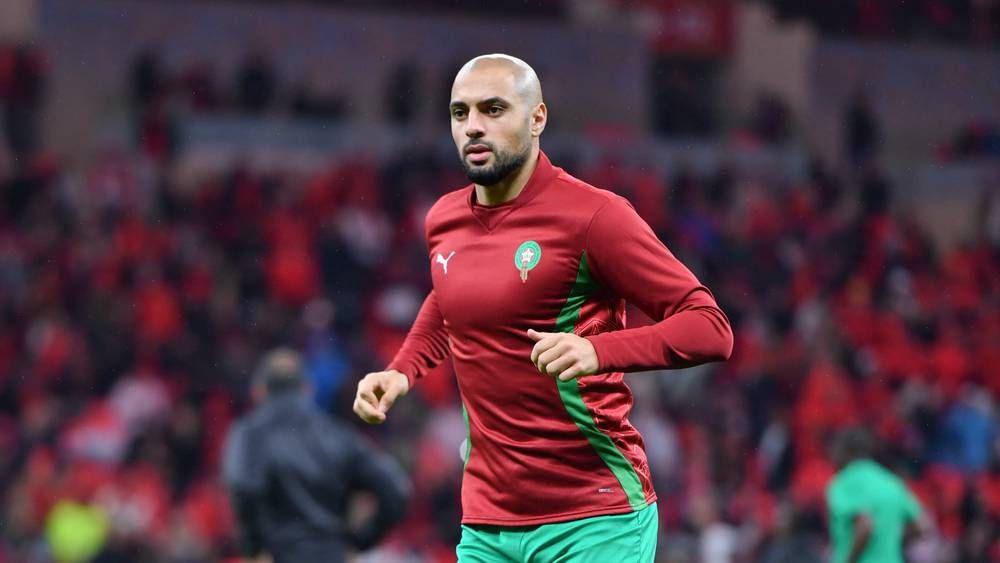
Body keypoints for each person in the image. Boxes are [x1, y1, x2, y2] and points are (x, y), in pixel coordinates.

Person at [353, 53, 733, 562]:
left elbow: (710, 328)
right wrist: (402, 370)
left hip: (594, 516)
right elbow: (449, 297)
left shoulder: (595, 216)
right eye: (460, 112)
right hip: (488, 523)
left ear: (537, 119)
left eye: (493, 109)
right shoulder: (443, 218)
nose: (473, 127)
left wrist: (599, 351)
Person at [224, 348, 410, 563]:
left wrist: (255, 548)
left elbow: (244, 489)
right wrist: (358, 543)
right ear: (307, 389)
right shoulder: (338, 435)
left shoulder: (250, 434)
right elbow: (396, 490)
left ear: (259, 391)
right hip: (332, 555)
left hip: (280, 556)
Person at [826, 427, 929, 563]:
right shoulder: (891, 482)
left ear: (844, 450)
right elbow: (922, 525)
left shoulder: (844, 482)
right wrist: (890, 538)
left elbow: (865, 527)